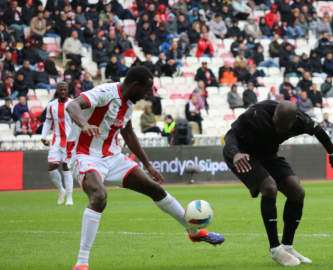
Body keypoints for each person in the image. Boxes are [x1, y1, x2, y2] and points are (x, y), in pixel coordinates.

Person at [65, 66, 224, 269]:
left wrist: (147, 164)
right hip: (83, 155)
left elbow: (128, 132)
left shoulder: (129, 104)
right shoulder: (105, 93)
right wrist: (84, 125)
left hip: (112, 157)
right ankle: (82, 262)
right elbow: (72, 106)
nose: (146, 95)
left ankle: (194, 233)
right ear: (135, 85)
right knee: (99, 196)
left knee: (155, 189)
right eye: (146, 90)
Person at [223, 100, 333, 266]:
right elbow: (230, 134)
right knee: (270, 188)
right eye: (276, 124)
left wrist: (332, 152)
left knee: (297, 192)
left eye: (283, 127)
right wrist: (235, 153)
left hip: (268, 154)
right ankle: (275, 249)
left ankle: (287, 246)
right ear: (274, 115)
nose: (278, 129)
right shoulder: (256, 114)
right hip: (243, 155)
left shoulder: (302, 120)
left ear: (293, 122)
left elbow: (318, 130)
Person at [41, 82, 74, 205]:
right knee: (52, 167)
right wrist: (43, 136)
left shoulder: (73, 104)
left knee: (66, 168)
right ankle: (61, 190)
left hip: (69, 142)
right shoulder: (51, 105)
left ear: (68, 90)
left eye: (65, 89)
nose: (63, 92)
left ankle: (70, 198)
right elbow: (48, 122)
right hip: (56, 141)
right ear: (57, 90)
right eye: (61, 89)